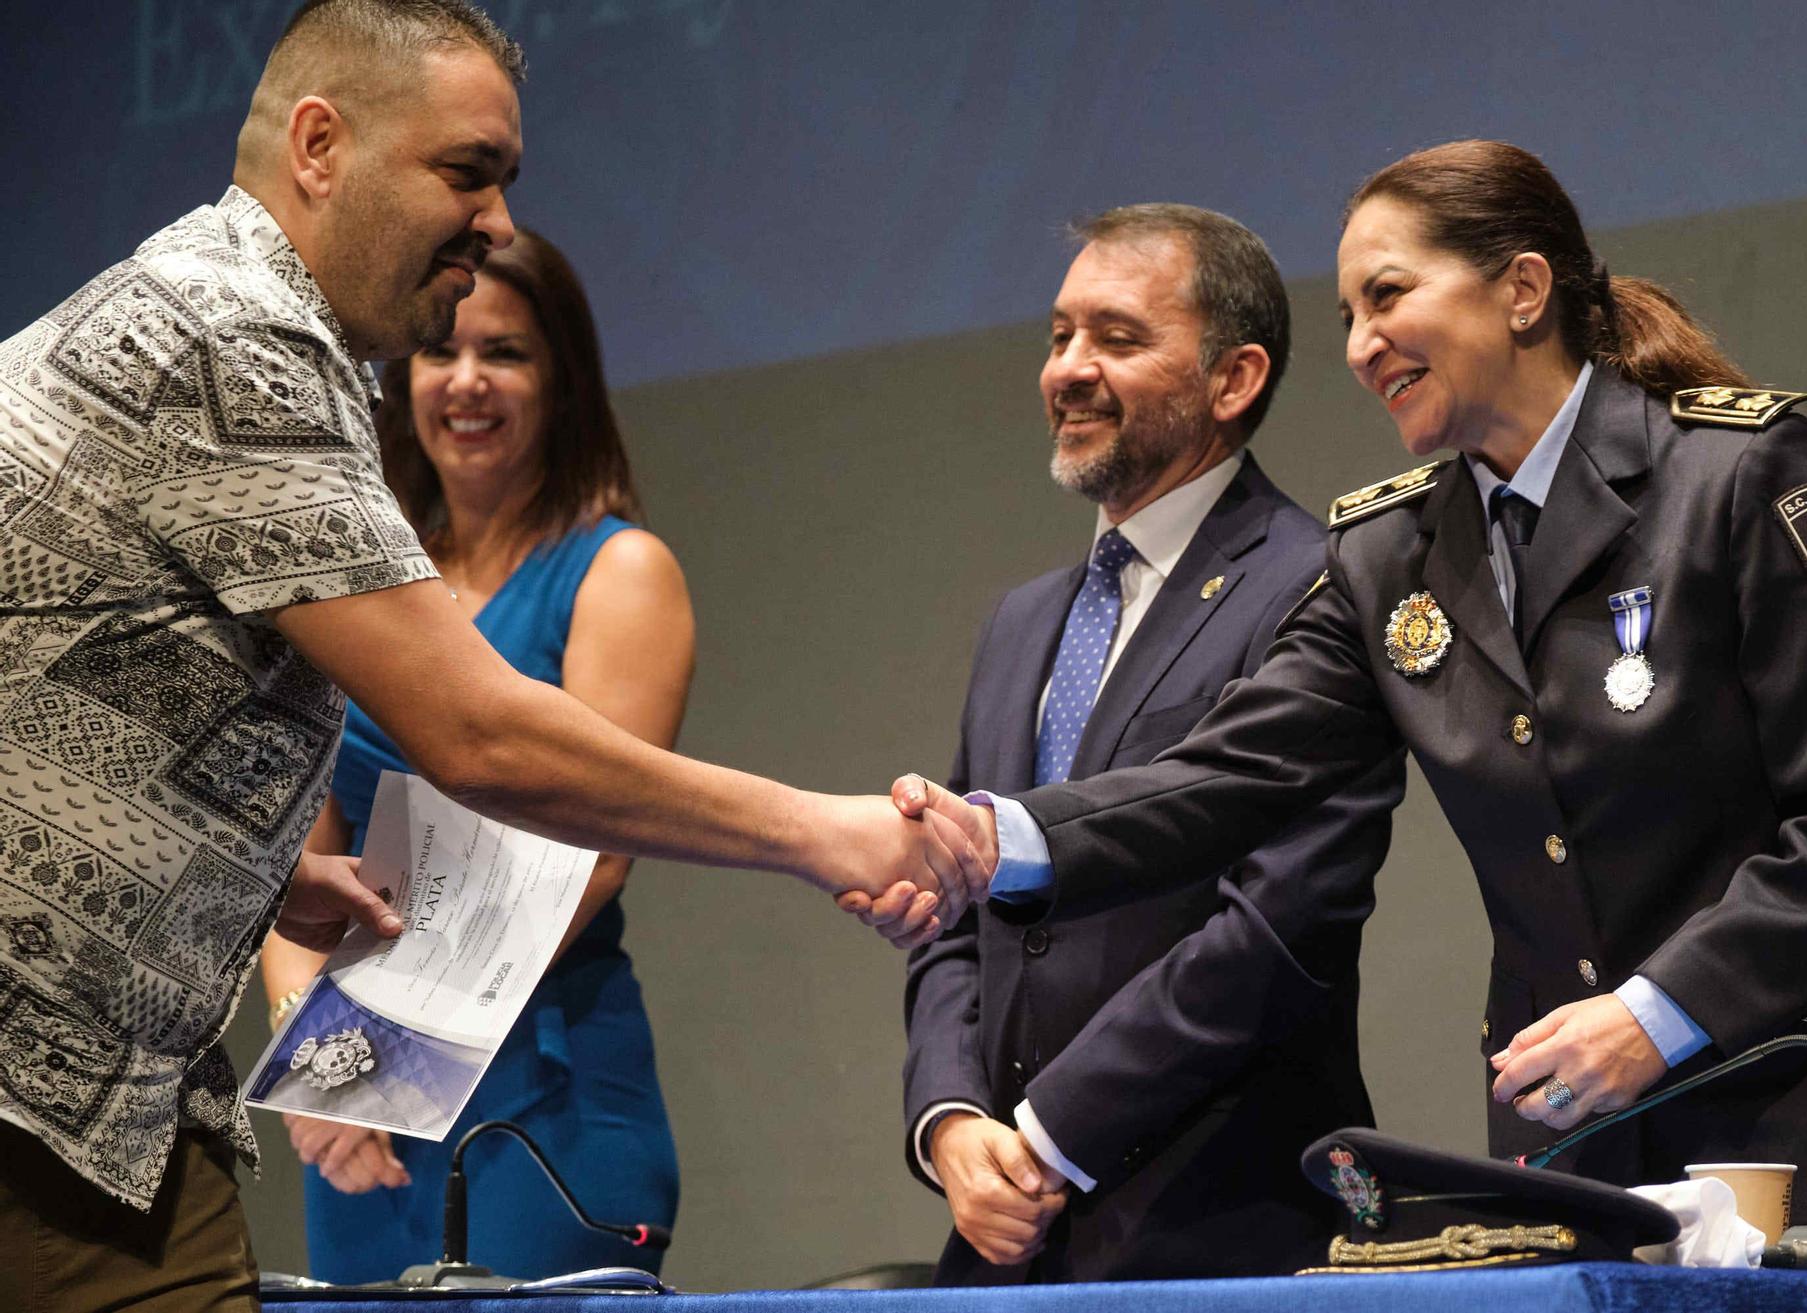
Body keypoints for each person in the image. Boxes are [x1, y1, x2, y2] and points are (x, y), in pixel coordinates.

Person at [864, 140, 1807, 1269]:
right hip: (1587, 1152)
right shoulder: (1387, 550)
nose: (1359, 346)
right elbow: (1230, 774)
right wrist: (990, 836)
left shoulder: (1736, 472)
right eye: (1349, 313)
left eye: (1387, 296)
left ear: (1520, 289)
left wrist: (1655, 1013)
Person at [0, 4, 935, 1307]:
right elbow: (481, 738)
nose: (495, 220)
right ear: (318, 146)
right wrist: (823, 833)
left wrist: (272, 888)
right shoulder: (245, 344)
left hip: (500, 1098)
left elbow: (79, 690)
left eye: (506, 182)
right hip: (51, 1101)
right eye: (466, 170)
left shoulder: (186, 308)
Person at [902, 204, 1401, 1282]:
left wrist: (1044, 1136)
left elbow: (1274, 926)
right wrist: (951, 1122)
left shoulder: (1321, 583)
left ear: (1232, 380)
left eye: (1117, 339)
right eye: (1057, 335)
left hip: (1221, 1228)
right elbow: (956, 910)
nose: (1067, 370)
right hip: (1007, 1238)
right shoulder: (1019, 622)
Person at [258, 227, 689, 1281]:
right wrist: (317, 1057)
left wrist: (380, 1056)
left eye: (506, 352)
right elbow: (293, 861)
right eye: (440, 351)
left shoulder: (618, 570)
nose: (466, 381)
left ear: (563, 380)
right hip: (357, 1090)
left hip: (540, 1101)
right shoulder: (362, 585)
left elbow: (596, 854)